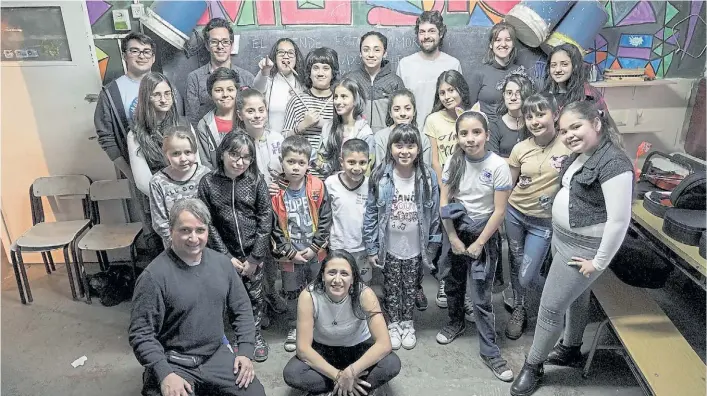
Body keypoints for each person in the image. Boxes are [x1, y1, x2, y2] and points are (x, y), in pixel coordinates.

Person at [511, 101, 633, 396]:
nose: (568, 135)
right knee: (576, 300)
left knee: (550, 308)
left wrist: (599, 262)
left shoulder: (614, 164)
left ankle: (533, 365)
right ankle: (571, 348)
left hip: (583, 248)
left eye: (575, 127)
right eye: (564, 130)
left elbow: (619, 221)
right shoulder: (582, 154)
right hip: (563, 239)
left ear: (597, 123)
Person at [129, 198, 265, 396]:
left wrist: (244, 352)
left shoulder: (222, 264)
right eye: (185, 230)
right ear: (171, 230)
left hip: (214, 355)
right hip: (174, 362)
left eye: (200, 230)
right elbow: (141, 334)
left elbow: (242, 309)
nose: (194, 238)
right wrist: (164, 372)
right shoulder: (153, 277)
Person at [435, 110, 514, 383]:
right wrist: (454, 239)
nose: (470, 139)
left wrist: (480, 243)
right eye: (464, 134)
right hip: (456, 230)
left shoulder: (498, 166)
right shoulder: (452, 163)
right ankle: (455, 322)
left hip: (484, 235)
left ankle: (490, 351)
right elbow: (444, 204)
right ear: (457, 137)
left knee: (481, 296)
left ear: (487, 135)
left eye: (476, 132)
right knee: (453, 284)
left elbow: (500, 211)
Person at [363, 124, 441, 351]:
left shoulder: (428, 177)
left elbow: (434, 214)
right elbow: (370, 213)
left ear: (418, 149)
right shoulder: (380, 176)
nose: (404, 151)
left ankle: (408, 323)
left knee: (410, 286)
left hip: (416, 246)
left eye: (410, 145)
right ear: (390, 148)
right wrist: (371, 247)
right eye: (399, 145)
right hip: (390, 245)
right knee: (391, 286)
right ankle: (393, 324)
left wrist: (433, 244)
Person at [197, 132, 273, 362]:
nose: (240, 162)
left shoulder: (256, 180)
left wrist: (255, 257)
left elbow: (266, 217)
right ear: (222, 153)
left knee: (255, 297)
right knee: (231, 299)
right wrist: (225, 257)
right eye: (234, 155)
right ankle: (240, 338)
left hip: (253, 254)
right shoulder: (208, 183)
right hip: (224, 256)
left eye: (246, 157)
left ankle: (255, 336)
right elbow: (207, 223)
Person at [282, 250, 401, 396]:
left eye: (344, 274)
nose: (337, 280)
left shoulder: (365, 294)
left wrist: (351, 372)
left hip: (359, 350)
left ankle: (333, 390)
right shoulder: (308, 296)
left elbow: (384, 344)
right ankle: (351, 389)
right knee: (292, 373)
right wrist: (339, 376)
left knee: (391, 363)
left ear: (352, 279)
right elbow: (303, 349)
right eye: (332, 272)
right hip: (325, 351)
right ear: (323, 276)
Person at [503, 93, 570, 341]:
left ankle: (557, 304)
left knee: (527, 273)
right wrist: (499, 213)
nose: (534, 121)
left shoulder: (569, 146)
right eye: (529, 116)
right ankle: (519, 307)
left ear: (555, 115)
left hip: (543, 222)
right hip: (515, 214)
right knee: (516, 261)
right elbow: (509, 184)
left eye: (540, 114)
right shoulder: (520, 148)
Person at [271, 135, 332, 353]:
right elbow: (273, 225)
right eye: (291, 162)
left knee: (318, 289)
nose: (296, 167)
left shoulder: (317, 186)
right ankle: (295, 327)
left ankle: (317, 326)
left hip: (316, 253)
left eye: (301, 163)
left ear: (308, 163)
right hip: (289, 256)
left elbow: (326, 219)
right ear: (282, 161)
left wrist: (315, 247)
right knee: (292, 291)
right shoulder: (274, 191)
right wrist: (288, 252)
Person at [424, 70, 476, 312]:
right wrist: (444, 185)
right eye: (442, 92)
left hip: (470, 188)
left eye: (451, 90)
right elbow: (435, 159)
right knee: (448, 237)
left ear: (461, 90)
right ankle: (446, 282)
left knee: (469, 237)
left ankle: (467, 291)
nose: (447, 96)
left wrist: (464, 117)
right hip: (445, 187)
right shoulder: (433, 120)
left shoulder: (473, 115)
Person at [235, 87, 287, 327]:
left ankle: (271, 293)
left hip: (275, 210)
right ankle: (257, 305)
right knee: (254, 258)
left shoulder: (277, 139)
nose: (257, 115)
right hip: (249, 212)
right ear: (240, 114)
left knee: (271, 257)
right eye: (250, 111)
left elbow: (285, 172)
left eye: (261, 110)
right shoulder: (237, 143)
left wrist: (280, 185)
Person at [128, 72, 194, 197]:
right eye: (156, 95)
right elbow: (143, 182)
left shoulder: (185, 124)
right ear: (146, 97)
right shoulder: (135, 135)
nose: (163, 100)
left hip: (190, 195)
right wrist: (171, 198)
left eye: (167, 94)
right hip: (160, 199)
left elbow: (197, 166)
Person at [282, 47, 340, 179]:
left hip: (333, 175)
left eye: (326, 68)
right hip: (302, 176)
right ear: (309, 72)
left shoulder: (339, 100)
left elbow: (348, 134)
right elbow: (284, 138)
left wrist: (326, 124)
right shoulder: (297, 100)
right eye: (316, 68)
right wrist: (301, 127)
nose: (320, 73)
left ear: (333, 73)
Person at [149, 126, 210, 249]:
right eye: (176, 153)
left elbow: (214, 213)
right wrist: (180, 244)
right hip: (176, 247)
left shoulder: (206, 175)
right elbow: (159, 222)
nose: (183, 159)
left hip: (208, 245)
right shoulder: (158, 182)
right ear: (167, 155)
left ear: (195, 151)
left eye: (188, 152)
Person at [397, 10, 462, 126]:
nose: (426, 36)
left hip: (444, 134)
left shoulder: (453, 64)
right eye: (422, 32)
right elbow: (398, 103)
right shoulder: (405, 65)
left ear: (440, 33)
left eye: (431, 31)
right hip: (412, 136)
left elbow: (459, 103)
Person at [186, 18, 255, 126]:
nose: (220, 46)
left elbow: (254, 114)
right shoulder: (194, 78)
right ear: (207, 46)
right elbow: (192, 121)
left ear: (231, 45)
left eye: (225, 42)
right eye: (214, 42)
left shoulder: (247, 78)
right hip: (207, 139)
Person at [324, 139, 373, 284]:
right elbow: (324, 214)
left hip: (363, 248)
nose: (357, 168)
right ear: (341, 161)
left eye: (362, 163)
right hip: (338, 247)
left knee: (364, 285)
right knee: (339, 283)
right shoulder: (330, 183)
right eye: (351, 162)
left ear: (368, 162)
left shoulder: (371, 184)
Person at [343, 31, 405, 133]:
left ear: (384, 53)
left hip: (386, 140)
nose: (371, 55)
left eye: (377, 50)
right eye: (366, 50)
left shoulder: (395, 82)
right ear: (360, 53)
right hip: (356, 139)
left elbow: (402, 115)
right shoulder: (350, 80)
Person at [468, 22, 525, 124]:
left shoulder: (520, 73)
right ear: (491, 44)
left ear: (513, 44)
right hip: (486, 131)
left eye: (508, 40)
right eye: (498, 40)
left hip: (514, 130)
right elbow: (468, 109)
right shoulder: (480, 73)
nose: (503, 44)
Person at [317, 77, 374, 178]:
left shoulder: (365, 133)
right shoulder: (328, 128)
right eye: (336, 97)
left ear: (355, 100)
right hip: (333, 186)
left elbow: (367, 171)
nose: (338, 102)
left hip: (357, 186)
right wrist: (312, 159)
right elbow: (323, 166)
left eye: (344, 96)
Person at [253, 38, 305, 136]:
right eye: (281, 53)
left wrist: (302, 98)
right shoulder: (268, 80)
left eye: (290, 53)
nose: (286, 56)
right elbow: (257, 88)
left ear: (296, 58)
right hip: (271, 142)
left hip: (295, 144)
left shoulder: (303, 84)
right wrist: (264, 71)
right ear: (275, 58)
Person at [374, 88, 432, 169]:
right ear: (390, 113)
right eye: (397, 109)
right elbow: (379, 170)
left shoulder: (423, 139)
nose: (402, 113)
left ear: (414, 111)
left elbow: (426, 171)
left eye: (407, 109)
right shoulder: (381, 137)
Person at [544, 43, 608, 113]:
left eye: (564, 64)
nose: (557, 70)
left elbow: (605, 122)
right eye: (553, 65)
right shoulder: (546, 95)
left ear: (575, 66)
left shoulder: (589, 95)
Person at [196, 67, 239, 170]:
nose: (225, 94)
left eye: (230, 89)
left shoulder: (246, 118)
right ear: (210, 94)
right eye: (218, 90)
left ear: (237, 91)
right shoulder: (204, 125)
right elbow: (205, 163)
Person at [488, 73, 535, 159]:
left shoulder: (534, 123)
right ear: (504, 95)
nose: (513, 98)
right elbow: (492, 160)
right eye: (509, 93)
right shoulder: (495, 126)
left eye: (518, 93)